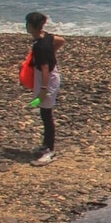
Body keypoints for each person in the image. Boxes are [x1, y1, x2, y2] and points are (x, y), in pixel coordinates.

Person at [25, 11, 66, 166]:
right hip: (49, 77)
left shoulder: (39, 46)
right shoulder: (47, 37)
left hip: (47, 79)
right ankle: (46, 145)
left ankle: (50, 150)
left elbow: (44, 68)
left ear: (30, 26)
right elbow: (61, 40)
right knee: (43, 111)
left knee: (46, 115)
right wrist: (52, 53)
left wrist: (43, 89)